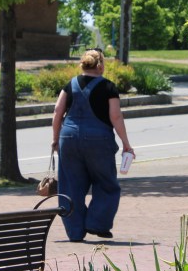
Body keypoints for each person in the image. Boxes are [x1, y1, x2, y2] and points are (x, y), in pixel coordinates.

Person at [51, 49, 135, 242]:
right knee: (106, 183)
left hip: (69, 138)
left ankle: (75, 231)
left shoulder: (70, 85)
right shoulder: (108, 87)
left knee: (70, 186)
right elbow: (116, 116)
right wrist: (126, 143)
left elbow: (57, 111)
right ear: (101, 66)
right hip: (99, 140)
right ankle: (97, 223)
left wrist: (55, 139)